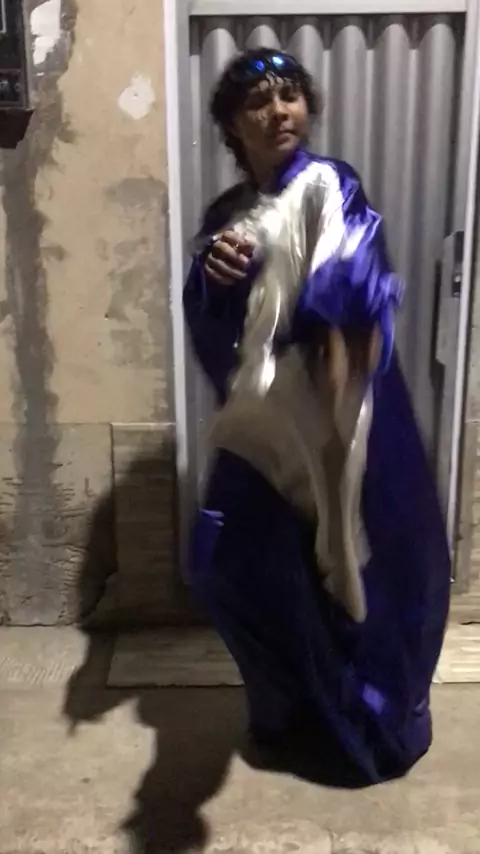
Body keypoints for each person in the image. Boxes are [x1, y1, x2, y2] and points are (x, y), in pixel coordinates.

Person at [183, 47, 451, 784]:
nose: (280, 111)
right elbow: (217, 325)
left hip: (342, 416)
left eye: (291, 95)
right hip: (268, 426)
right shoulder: (227, 216)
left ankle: (365, 722)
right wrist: (212, 282)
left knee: (362, 572)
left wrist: (337, 322)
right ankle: (290, 707)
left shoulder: (330, 183)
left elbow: (350, 261)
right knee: (226, 563)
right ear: (233, 126)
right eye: (259, 101)